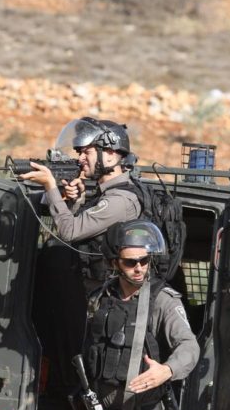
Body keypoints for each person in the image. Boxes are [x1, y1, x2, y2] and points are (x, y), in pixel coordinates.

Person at [83, 220, 199, 410]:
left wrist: (166, 370)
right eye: (130, 262)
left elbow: (189, 346)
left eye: (144, 261)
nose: (139, 268)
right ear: (115, 263)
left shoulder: (163, 300)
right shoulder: (99, 300)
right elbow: (91, 357)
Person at [21, 117, 142, 291]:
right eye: (80, 153)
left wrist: (50, 185)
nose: (81, 159)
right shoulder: (107, 193)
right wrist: (77, 201)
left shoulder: (120, 200)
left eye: (87, 152)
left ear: (109, 154)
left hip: (101, 294)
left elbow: (69, 232)